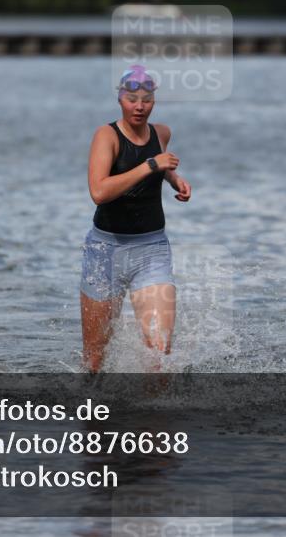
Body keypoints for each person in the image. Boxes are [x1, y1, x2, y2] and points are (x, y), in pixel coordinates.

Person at [80, 65, 192, 372]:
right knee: (94, 361)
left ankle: (152, 419)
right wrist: (151, 166)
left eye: (146, 98)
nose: (139, 106)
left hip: (151, 250)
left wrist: (174, 179)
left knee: (159, 351)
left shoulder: (161, 133)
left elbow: (160, 163)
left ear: (154, 100)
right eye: (132, 98)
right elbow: (99, 192)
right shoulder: (107, 136)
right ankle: (93, 416)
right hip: (105, 253)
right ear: (120, 99)